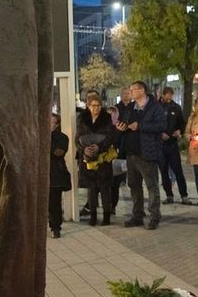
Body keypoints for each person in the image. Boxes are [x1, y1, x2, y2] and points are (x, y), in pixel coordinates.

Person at [118, 81, 166, 230]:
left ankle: (154, 216)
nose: (131, 92)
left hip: (147, 152)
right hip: (132, 153)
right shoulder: (131, 108)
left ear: (142, 90)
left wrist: (140, 126)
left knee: (151, 185)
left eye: (133, 89)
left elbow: (162, 126)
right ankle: (137, 215)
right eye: (130, 89)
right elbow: (126, 124)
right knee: (134, 185)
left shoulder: (155, 107)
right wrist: (122, 128)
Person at [77, 93, 118, 226]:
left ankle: (106, 217)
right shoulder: (82, 118)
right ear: (88, 106)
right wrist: (84, 150)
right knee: (91, 189)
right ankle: (93, 216)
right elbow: (78, 137)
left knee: (105, 188)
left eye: (99, 105)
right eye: (94, 106)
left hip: (103, 158)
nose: (96, 108)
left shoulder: (107, 118)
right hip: (87, 158)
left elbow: (111, 136)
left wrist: (99, 147)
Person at [157, 87, 191, 205]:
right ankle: (169, 195)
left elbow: (181, 123)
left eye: (171, 95)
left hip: (172, 144)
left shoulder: (176, 107)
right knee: (164, 171)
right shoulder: (155, 107)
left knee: (178, 170)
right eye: (167, 95)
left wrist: (179, 131)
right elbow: (151, 123)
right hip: (160, 145)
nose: (169, 97)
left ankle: (184, 195)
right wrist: (159, 134)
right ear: (162, 94)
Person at [48, 113, 71, 238]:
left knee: (54, 202)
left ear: (56, 125)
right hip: (40, 174)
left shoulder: (62, 137)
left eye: (51, 122)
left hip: (55, 174)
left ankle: (55, 227)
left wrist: (46, 142)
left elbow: (59, 152)